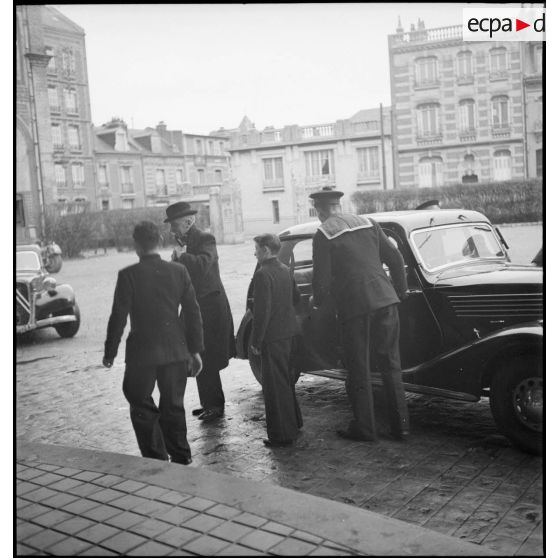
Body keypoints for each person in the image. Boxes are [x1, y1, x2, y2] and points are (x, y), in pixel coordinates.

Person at [310, 187, 410, 442]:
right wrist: (400, 291)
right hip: (386, 300)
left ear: (320, 211)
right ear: (339, 206)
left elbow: (320, 281)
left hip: (354, 307)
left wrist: (318, 301)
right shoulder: (369, 222)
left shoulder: (323, 233)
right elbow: (395, 259)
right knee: (391, 365)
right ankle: (402, 427)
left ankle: (365, 429)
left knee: (359, 367)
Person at [103, 221, 204, 465]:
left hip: (142, 353)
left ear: (136, 245)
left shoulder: (128, 275)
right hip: (175, 349)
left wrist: (110, 352)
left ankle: (156, 458)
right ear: (159, 241)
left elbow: (119, 315)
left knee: (139, 401)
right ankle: (181, 456)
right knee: (173, 405)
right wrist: (196, 350)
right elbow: (193, 311)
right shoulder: (179, 271)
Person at [165, 201, 236, 423]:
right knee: (197, 354)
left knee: (208, 357)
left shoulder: (205, 238)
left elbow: (204, 264)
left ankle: (215, 405)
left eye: (174, 224)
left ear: (188, 221)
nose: (171, 229)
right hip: (195, 308)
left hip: (210, 310)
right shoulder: (184, 242)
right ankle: (208, 403)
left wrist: (181, 257)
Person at [250, 233, 302, 447]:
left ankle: (282, 435)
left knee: (274, 386)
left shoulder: (263, 274)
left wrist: (255, 341)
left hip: (272, 337)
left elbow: (262, 312)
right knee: (286, 381)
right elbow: (296, 298)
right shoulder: (285, 269)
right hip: (289, 332)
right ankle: (294, 423)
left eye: (256, 249)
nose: (255, 253)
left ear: (266, 250)